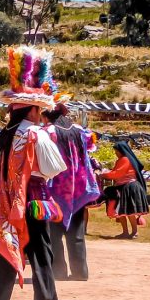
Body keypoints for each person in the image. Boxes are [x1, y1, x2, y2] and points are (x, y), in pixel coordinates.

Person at [0, 46, 68, 300]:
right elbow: (53, 167)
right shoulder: (35, 134)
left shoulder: (3, 136)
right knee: (42, 253)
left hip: (7, 199)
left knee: (10, 246)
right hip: (33, 200)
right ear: (33, 110)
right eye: (39, 108)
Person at [44, 98, 100, 281]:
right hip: (78, 186)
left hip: (57, 187)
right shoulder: (78, 130)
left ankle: (58, 271)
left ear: (46, 115)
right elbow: (88, 151)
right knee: (76, 232)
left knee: (54, 232)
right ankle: (80, 272)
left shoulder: (49, 131)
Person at [98, 141, 150, 238]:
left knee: (130, 211)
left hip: (129, 187)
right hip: (123, 187)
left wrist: (103, 175)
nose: (115, 153)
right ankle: (125, 232)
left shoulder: (125, 160)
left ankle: (134, 232)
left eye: (117, 151)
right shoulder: (122, 160)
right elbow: (115, 172)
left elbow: (117, 174)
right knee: (121, 211)